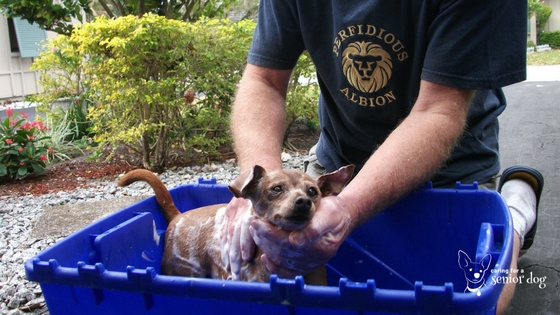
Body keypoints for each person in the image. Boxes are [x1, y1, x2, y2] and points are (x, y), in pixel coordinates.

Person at [221, 1, 544, 314]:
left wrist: (348, 210)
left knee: (483, 300)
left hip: (452, 167)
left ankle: (514, 213)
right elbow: (264, 80)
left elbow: (438, 109)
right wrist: (260, 186)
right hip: (339, 164)